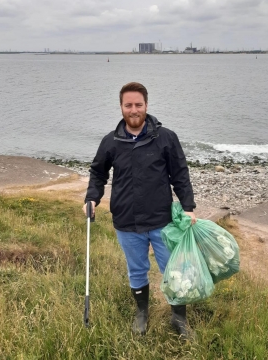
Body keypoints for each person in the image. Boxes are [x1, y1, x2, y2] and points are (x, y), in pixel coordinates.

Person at [83, 82, 196, 338]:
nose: (134, 110)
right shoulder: (110, 141)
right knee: (137, 270)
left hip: (162, 220)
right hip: (127, 220)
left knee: (173, 269)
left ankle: (179, 318)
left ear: (146, 105)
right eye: (128, 105)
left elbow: (180, 174)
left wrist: (188, 207)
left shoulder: (165, 137)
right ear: (121, 107)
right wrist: (92, 198)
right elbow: (97, 173)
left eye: (138, 105)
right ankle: (141, 313)